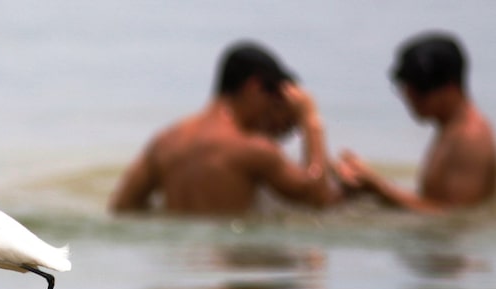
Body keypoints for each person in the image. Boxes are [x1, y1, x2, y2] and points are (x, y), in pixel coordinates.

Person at [109, 41, 339, 216]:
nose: (273, 121)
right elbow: (317, 198)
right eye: (275, 103)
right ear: (255, 87)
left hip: (181, 269)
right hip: (233, 264)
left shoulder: (165, 142)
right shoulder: (253, 150)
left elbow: (122, 208)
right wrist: (310, 119)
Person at [336, 32, 496, 214]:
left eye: (420, 90)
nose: (409, 98)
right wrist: (368, 182)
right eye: (406, 87)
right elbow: (434, 201)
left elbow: (454, 219)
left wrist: (380, 189)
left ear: (450, 88)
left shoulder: (470, 137)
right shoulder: (451, 127)